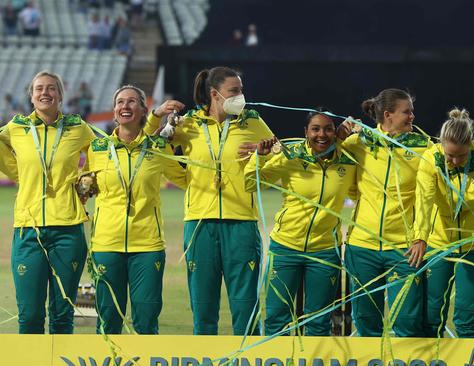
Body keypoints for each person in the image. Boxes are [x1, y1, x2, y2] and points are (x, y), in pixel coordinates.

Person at [144, 66, 274, 335]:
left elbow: (279, 155)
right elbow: (150, 147)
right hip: (200, 224)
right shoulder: (188, 123)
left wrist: (265, 155)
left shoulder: (251, 121)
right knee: (203, 310)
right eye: (234, 91)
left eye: (241, 90)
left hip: (241, 224)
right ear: (215, 94)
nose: (241, 97)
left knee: (246, 309)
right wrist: (156, 118)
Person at [243, 111, 356, 336]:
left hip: (324, 251)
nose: (321, 134)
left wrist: (353, 132)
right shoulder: (291, 156)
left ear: (336, 133)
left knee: (319, 322)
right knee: (277, 319)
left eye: (328, 129)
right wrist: (260, 156)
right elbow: (250, 183)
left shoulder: (348, 161)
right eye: (315, 129)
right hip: (286, 248)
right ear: (306, 132)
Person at [85, 85, 186, 334]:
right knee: (108, 321)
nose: (125, 106)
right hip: (106, 244)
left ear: (143, 110)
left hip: (147, 246)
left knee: (147, 320)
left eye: (132, 102)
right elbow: (84, 184)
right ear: (114, 111)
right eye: (120, 102)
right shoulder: (97, 149)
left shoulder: (158, 148)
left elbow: (187, 180)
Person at [0, 71, 96, 334]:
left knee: (62, 316)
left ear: (60, 96)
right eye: (39, 88)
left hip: (68, 230)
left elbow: (100, 150)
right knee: (29, 315)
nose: (45, 93)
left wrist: (86, 178)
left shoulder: (78, 127)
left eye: (51, 88)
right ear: (31, 97)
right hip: (28, 230)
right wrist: (18, 172)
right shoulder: (16, 127)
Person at [338, 88, 430, 337]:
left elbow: (427, 197)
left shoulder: (424, 148)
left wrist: (420, 236)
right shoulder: (358, 143)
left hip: (405, 248)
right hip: (362, 247)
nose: (413, 116)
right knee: (367, 325)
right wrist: (337, 137)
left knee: (408, 325)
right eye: (407, 112)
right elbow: (324, 160)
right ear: (388, 115)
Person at [414, 108, 474, 338]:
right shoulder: (430, 158)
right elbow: (424, 200)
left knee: (470, 318)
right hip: (438, 242)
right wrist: (420, 238)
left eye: (461, 156)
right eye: (450, 156)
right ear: (441, 144)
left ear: (471, 144)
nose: (455, 161)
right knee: (432, 316)